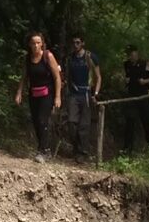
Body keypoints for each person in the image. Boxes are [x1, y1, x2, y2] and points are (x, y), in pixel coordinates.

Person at [14, 31, 62, 162]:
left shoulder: (48, 56)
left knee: (42, 120)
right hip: (34, 92)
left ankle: (43, 151)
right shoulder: (28, 58)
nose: (36, 46)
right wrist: (19, 92)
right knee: (36, 122)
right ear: (29, 45)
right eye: (33, 43)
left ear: (42, 44)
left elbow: (57, 77)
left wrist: (58, 97)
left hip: (47, 93)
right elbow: (24, 77)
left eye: (38, 43)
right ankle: (44, 149)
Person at [63, 33, 101, 158]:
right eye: (74, 42)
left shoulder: (90, 57)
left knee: (84, 124)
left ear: (83, 43)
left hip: (86, 93)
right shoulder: (70, 58)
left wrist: (95, 94)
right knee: (71, 122)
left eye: (78, 42)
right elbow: (67, 75)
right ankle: (76, 147)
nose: (75, 45)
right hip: (73, 93)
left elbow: (98, 77)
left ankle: (82, 152)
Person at [122, 45, 149, 151]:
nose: (133, 57)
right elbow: (126, 75)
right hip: (132, 95)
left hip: (143, 95)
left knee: (146, 119)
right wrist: (126, 80)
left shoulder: (145, 64)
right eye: (131, 55)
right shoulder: (126, 64)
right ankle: (128, 147)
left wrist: (145, 81)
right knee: (130, 120)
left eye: (135, 55)